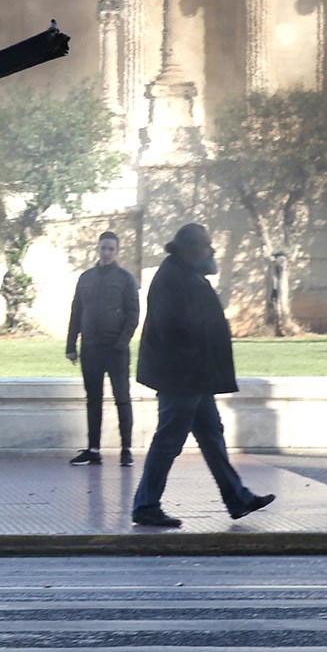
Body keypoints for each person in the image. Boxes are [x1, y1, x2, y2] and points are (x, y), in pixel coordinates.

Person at [129, 223, 274, 529]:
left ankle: (237, 497)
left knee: (211, 435)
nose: (212, 251)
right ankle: (145, 505)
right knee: (169, 440)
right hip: (182, 378)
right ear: (187, 249)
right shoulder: (172, 278)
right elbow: (172, 330)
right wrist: (194, 365)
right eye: (206, 245)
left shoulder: (187, 275)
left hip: (194, 377)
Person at [64, 230, 138, 467]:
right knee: (93, 400)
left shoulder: (125, 279)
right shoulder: (85, 278)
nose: (106, 253)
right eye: (103, 248)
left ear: (117, 251)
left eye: (110, 249)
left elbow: (133, 315)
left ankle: (126, 450)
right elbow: (76, 312)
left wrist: (121, 343)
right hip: (90, 349)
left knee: (122, 399)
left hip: (116, 350)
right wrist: (70, 345)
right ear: (98, 249)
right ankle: (93, 449)